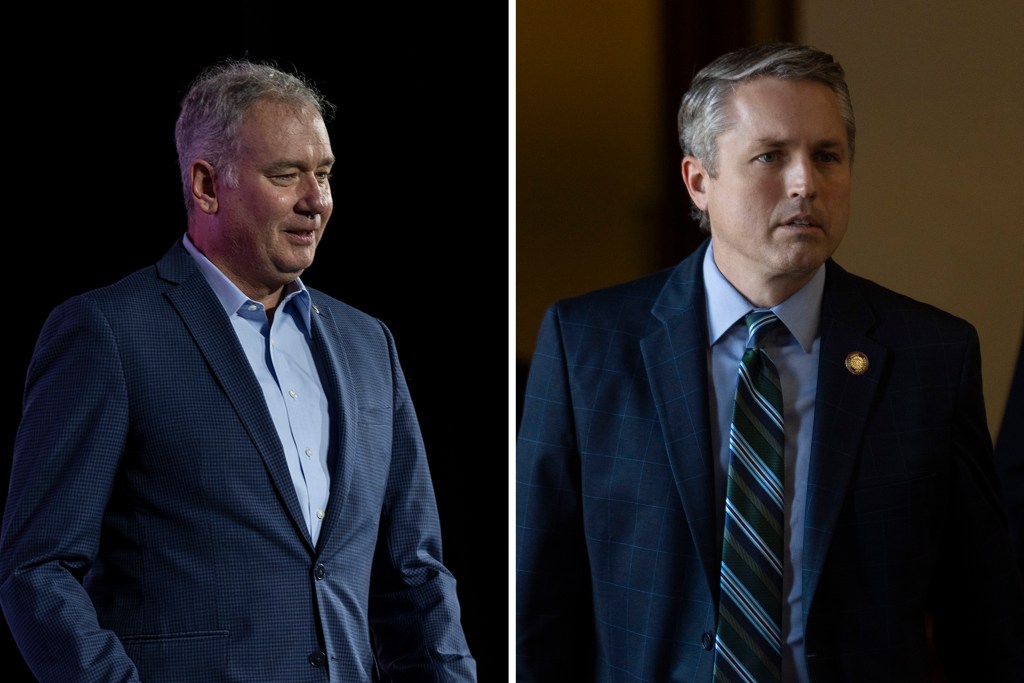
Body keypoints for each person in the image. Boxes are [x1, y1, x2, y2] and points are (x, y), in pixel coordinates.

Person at [516, 42, 1024, 682]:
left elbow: (983, 618)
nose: (805, 183)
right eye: (770, 156)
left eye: (827, 156)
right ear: (699, 181)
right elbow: (534, 609)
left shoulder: (933, 356)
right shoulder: (586, 346)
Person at [0, 59, 476, 682]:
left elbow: (413, 574)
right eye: (286, 175)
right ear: (205, 185)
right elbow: (37, 573)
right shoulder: (108, 334)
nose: (317, 201)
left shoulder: (369, 344)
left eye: (325, 174)